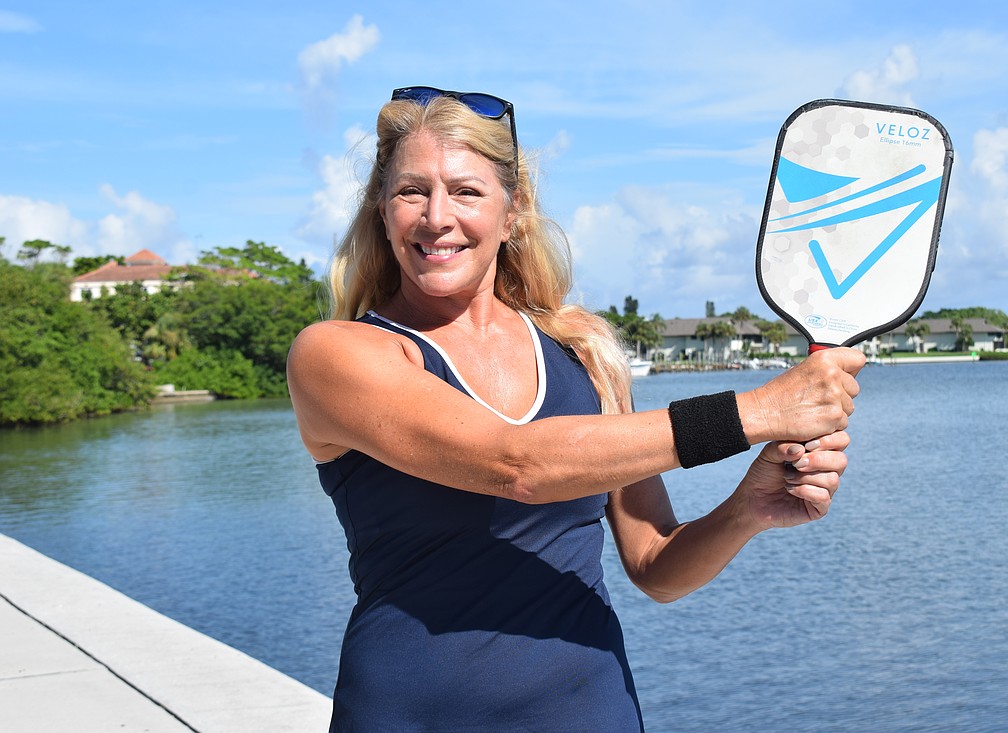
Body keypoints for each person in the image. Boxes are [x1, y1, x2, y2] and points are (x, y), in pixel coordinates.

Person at [287, 85, 865, 732]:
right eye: (411, 191)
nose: (436, 216)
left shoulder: (583, 351)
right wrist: (756, 411)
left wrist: (746, 510)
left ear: (514, 213)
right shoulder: (336, 356)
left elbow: (656, 564)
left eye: (466, 191)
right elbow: (517, 464)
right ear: (381, 210)